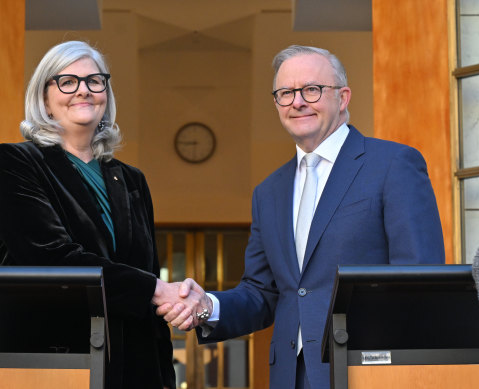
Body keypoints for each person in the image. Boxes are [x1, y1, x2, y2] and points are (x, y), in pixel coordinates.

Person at [156, 45, 445, 389]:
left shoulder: (393, 165)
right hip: (289, 378)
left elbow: (418, 281)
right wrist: (208, 305)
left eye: (311, 89)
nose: (297, 102)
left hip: (366, 373)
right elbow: (261, 294)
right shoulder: (269, 192)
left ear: (343, 97)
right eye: (285, 93)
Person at [0, 40, 192, 389]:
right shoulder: (16, 162)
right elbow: (48, 258)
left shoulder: (131, 180)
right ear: (45, 98)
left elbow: (145, 273)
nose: (83, 90)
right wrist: (156, 289)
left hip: (134, 366)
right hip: (54, 361)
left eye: (94, 81)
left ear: (106, 95)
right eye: (68, 81)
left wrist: (163, 377)